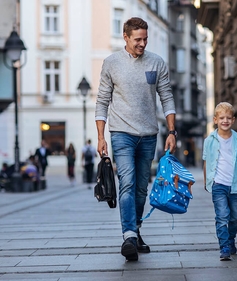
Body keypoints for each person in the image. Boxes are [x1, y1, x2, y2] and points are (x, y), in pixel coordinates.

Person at [95, 17, 176, 262]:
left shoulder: (157, 62)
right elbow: (102, 101)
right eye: (137, 39)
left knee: (142, 188)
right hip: (121, 134)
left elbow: (167, 98)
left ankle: (136, 230)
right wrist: (101, 136)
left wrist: (172, 132)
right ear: (126, 37)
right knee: (127, 183)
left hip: (149, 135)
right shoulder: (111, 63)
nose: (142, 43)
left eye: (145, 39)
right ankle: (128, 235)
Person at [202, 102, 237, 261]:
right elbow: (206, 162)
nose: (225, 121)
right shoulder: (209, 140)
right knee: (222, 215)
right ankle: (224, 246)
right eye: (221, 118)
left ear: (233, 120)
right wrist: (206, 181)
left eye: (228, 118)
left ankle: (231, 239)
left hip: (235, 184)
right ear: (215, 120)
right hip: (218, 185)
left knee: (235, 216)